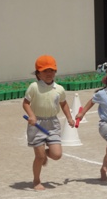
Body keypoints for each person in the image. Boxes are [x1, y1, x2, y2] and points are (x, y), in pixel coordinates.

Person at [23, 55, 75, 190]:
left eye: (52, 70)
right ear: (38, 73)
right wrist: (32, 116)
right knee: (39, 156)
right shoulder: (34, 87)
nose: (49, 73)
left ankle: (44, 154)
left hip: (53, 123)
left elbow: (63, 104)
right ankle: (36, 180)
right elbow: (26, 103)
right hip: (37, 124)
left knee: (57, 155)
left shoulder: (59, 89)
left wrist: (69, 117)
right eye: (45, 71)